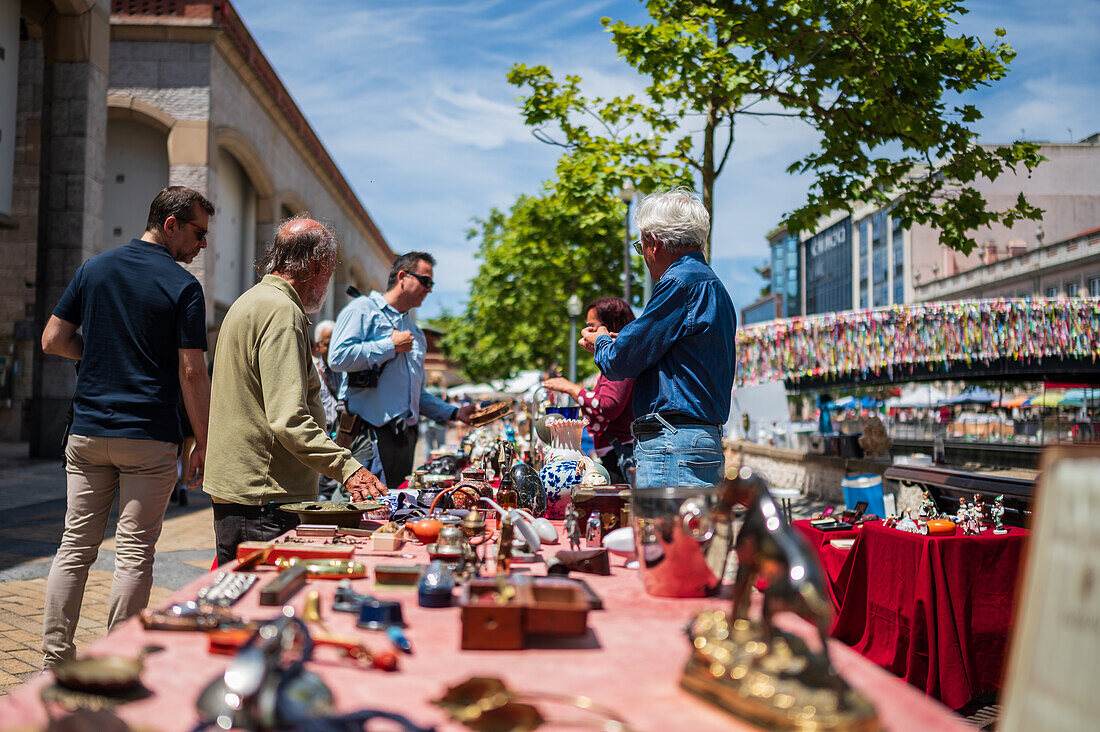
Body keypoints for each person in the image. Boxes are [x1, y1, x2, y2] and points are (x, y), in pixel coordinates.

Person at [40, 186, 214, 667]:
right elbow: (192, 371)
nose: (202, 246)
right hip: (148, 436)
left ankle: (56, 659)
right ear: (172, 223)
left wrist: (98, 353)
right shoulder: (182, 287)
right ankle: (114, 661)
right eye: (198, 234)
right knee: (134, 554)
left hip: (89, 431)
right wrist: (203, 439)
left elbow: (53, 340)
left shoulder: (94, 269)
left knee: (74, 547)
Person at [203, 217, 384, 566]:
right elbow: (288, 419)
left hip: (246, 494)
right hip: (264, 500)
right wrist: (348, 468)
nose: (327, 283)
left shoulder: (251, 300)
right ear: (318, 265)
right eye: (329, 273)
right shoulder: (282, 311)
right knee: (262, 608)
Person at [580, 189, 736, 490]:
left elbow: (619, 360)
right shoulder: (712, 285)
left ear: (654, 242)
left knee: (662, 536)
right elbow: (659, 352)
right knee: (693, 536)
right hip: (699, 439)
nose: (644, 255)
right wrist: (618, 341)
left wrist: (601, 341)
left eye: (641, 246)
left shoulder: (679, 282)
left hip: (672, 442)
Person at [329, 252, 474, 490]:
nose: (429, 290)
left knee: (394, 513)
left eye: (431, 284)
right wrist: (389, 346)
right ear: (402, 277)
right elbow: (337, 357)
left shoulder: (415, 331)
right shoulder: (363, 309)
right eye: (425, 281)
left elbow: (416, 394)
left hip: (404, 440)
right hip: (368, 436)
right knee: (364, 511)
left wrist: (454, 413)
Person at [542, 296, 636, 483]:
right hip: (614, 453)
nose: (585, 332)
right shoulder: (619, 359)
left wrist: (571, 388)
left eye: (591, 326)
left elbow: (608, 405)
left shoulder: (621, 360)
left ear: (609, 326)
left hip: (619, 455)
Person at [312, 319, 342, 501]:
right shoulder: (312, 372)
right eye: (327, 344)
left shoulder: (346, 370)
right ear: (317, 346)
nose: (332, 349)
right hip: (321, 440)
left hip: (342, 439)